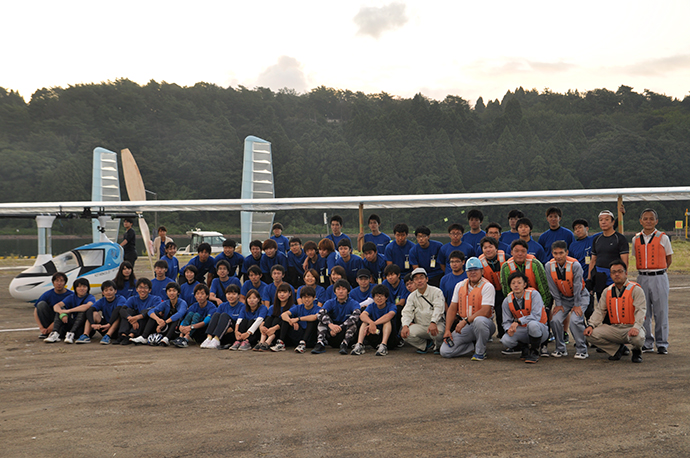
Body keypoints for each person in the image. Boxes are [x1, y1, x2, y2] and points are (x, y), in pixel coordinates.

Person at [584, 260, 646, 363]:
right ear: (610, 274)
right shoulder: (607, 291)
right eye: (613, 272)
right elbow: (600, 311)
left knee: (638, 338)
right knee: (590, 335)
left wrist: (636, 327)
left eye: (620, 271)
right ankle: (616, 350)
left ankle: (636, 351)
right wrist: (591, 325)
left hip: (631, 327)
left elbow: (641, 310)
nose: (616, 274)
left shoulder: (636, 290)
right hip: (614, 328)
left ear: (626, 273)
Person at [500, 239, 552, 355]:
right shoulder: (506, 267)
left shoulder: (535, 264)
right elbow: (506, 288)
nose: (519, 254)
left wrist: (543, 305)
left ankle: (541, 345)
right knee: (506, 338)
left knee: (535, 323)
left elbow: (543, 286)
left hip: (535, 302)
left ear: (527, 252)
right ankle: (522, 346)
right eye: (516, 251)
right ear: (511, 252)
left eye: (523, 251)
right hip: (518, 304)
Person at [632, 208, 673, 354]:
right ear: (640, 221)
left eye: (651, 218)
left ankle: (662, 343)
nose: (648, 221)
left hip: (659, 277)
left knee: (661, 311)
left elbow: (669, 258)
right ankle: (647, 342)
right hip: (642, 277)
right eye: (645, 218)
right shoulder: (635, 238)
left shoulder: (663, 237)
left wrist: (659, 270)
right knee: (644, 311)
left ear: (656, 221)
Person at [440, 257, 495, 360]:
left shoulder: (487, 286)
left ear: (482, 271)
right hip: (466, 326)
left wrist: (465, 321)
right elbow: (452, 308)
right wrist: (447, 330)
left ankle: (480, 351)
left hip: (485, 323)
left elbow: (485, 310)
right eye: (470, 270)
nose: (473, 272)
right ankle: (472, 346)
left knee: (479, 321)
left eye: (476, 270)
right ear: (466, 272)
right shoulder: (460, 285)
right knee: (445, 351)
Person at [545, 241, 590, 359]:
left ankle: (582, 349)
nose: (558, 256)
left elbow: (577, 286)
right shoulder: (549, 266)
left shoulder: (575, 265)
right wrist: (558, 303)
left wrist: (577, 304)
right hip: (563, 299)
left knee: (575, 320)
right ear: (552, 253)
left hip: (580, 296)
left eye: (561, 253)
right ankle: (560, 348)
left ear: (567, 253)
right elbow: (552, 287)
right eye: (555, 253)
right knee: (555, 320)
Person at [500, 271, 549, 364]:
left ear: (525, 284)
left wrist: (518, 321)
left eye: (519, 282)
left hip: (540, 329)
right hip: (522, 330)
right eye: (513, 283)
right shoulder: (507, 301)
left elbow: (536, 316)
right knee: (506, 340)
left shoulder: (534, 294)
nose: (516, 285)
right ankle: (524, 348)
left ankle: (534, 351)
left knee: (532, 325)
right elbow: (506, 321)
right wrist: (508, 329)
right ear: (510, 286)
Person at [400, 268, 446, 354]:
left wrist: (433, 322)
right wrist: (405, 325)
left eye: (421, 277)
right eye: (416, 279)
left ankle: (438, 346)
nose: (419, 281)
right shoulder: (412, 296)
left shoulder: (436, 291)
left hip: (436, 324)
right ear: (414, 282)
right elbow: (407, 312)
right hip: (421, 326)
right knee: (406, 333)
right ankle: (424, 345)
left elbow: (439, 308)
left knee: (438, 332)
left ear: (427, 279)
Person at [312, 279, 362, 355]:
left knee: (353, 324)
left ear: (348, 291)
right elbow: (320, 314)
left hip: (345, 332)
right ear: (335, 292)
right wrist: (330, 325)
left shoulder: (353, 303)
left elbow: (356, 315)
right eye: (338, 289)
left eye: (343, 289)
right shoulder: (330, 302)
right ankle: (320, 343)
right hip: (332, 333)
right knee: (322, 320)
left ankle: (344, 344)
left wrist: (339, 328)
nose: (341, 291)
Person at [589, 210, 629, 300]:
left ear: (613, 222)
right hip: (599, 276)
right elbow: (593, 260)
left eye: (607, 219)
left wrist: (623, 276)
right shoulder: (597, 239)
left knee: (615, 302)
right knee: (602, 304)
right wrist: (589, 279)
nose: (603, 222)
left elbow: (625, 261)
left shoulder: (620, 239)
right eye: (601, 220)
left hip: (614, 275)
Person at [44, 278, 95, 344]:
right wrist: (62, 313)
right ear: (75, 288)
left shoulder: (90, 297)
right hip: (71, 324)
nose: (82, 289)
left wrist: (68, 311)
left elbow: (87, 306)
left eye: (84, 286)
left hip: (83, 327)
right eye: (79, 286)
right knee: (62, 309)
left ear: (88, 288)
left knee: (83, 310)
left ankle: (71, 333)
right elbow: (56, 306)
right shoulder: (71, 297)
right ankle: (54, 333)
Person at [350, 284, 397, 356]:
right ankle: (359, 344)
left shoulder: (391, 306)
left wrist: (373, 324)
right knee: (365, 322)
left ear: (386, 297)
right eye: (376, 296)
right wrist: (370, 322)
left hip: (389, 339)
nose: (379, 298)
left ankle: (383, 346)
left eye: (381, 296)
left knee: (387, 321)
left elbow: (389, 315)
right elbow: (362, 315)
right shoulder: (371, 306)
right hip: (374, 334)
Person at [139, 282, 188, 347]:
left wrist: (164, 322)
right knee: (155, 314)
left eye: (174, 291)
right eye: (169, 291)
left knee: (176, 318)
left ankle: (167, 338)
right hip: (166, 327)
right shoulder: (166, 302)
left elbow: (180, 314)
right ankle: (144, 337)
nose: (172, 293)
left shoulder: (182, 303)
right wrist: (158, 320)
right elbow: (151, 311)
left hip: (177, 330)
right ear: (167, 293)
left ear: (178, 292)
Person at [76, 280, 126, 345]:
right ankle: (85, 335)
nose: (109, 292)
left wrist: (109, 324)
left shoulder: (120, 298)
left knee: (119, 314)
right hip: (104, 327)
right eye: (106, 290)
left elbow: (117, 310)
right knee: (93, 313)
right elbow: (90, 310)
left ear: (115, 291)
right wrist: (93, 324)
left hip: (117, 328)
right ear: (103, 292)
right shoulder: (102, 301)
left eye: (111, 290)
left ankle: (108, 336)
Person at [115, 278, 162, 345]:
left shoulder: (156, 299)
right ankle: (123, 336)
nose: (143, 290)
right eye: (140, 287)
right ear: (136, 289)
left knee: (146, 312)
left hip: (148, 326)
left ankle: (131, 335)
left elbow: (156, 310)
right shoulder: (133, 299)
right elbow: (122, 310)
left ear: (150, 290)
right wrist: (130, 318)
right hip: (136, 324)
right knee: (128, 311)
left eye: (145, 288)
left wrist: (138, 317)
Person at [478, 236, 507, 338]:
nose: (488, 250)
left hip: (505, 291)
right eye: (485, 247)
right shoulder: (479, 263)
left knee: (502, 314)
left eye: (490, 247)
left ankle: (504, 335)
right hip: (490, 292)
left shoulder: (506, 258)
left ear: (496, 248)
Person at [200, 284, 244, 349]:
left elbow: (240, 323)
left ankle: (216, 339)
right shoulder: (222, 305)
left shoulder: (242, 306)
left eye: (234, 294)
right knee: (216, 314)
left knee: (224, 315)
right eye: (228, 294)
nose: (231, 296)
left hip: (232, 332)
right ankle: (209, 338)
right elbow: (216, 320)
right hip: (221, 332)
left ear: (238, 296)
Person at [280, 285, 321, 353]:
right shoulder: (298, 307)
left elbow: (314, 317)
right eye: (304, 297)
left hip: (311, 337)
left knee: (311, 320)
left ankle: (303, 344)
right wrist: (292, 322)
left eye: (309, 297)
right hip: (299, 334)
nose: (306, 299)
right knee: (286, 320)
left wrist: (298, 319)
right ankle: (280, 343)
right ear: (301, 298)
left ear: (314, 298)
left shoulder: (318, 309)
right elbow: (284, 315)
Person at [34, 272, 74, 339]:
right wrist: (41, 327)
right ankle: (46, 331)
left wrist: (53, 326)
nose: (59, 283)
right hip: (50, 320)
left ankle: (51, 332)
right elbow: (36, 310)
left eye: (61, 281)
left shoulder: (71, 295)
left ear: (65, 283)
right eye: (56, 281)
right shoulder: (48, 294)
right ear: (53, 282)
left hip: (64, 321)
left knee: (62, 308)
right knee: (41, 305)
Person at [256, 283, 295, 351]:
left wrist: (274, 328)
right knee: (270, 318)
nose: (282, 294)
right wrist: (261, 326)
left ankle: (268, 342)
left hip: (284, 335)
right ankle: (262, 341)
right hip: (270, 332)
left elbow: (288, 322)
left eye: (285, 292)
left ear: (290, 294)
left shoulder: (293, 307)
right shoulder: (273, 307)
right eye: (280, 292)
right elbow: (266, 319)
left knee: (279, 319)